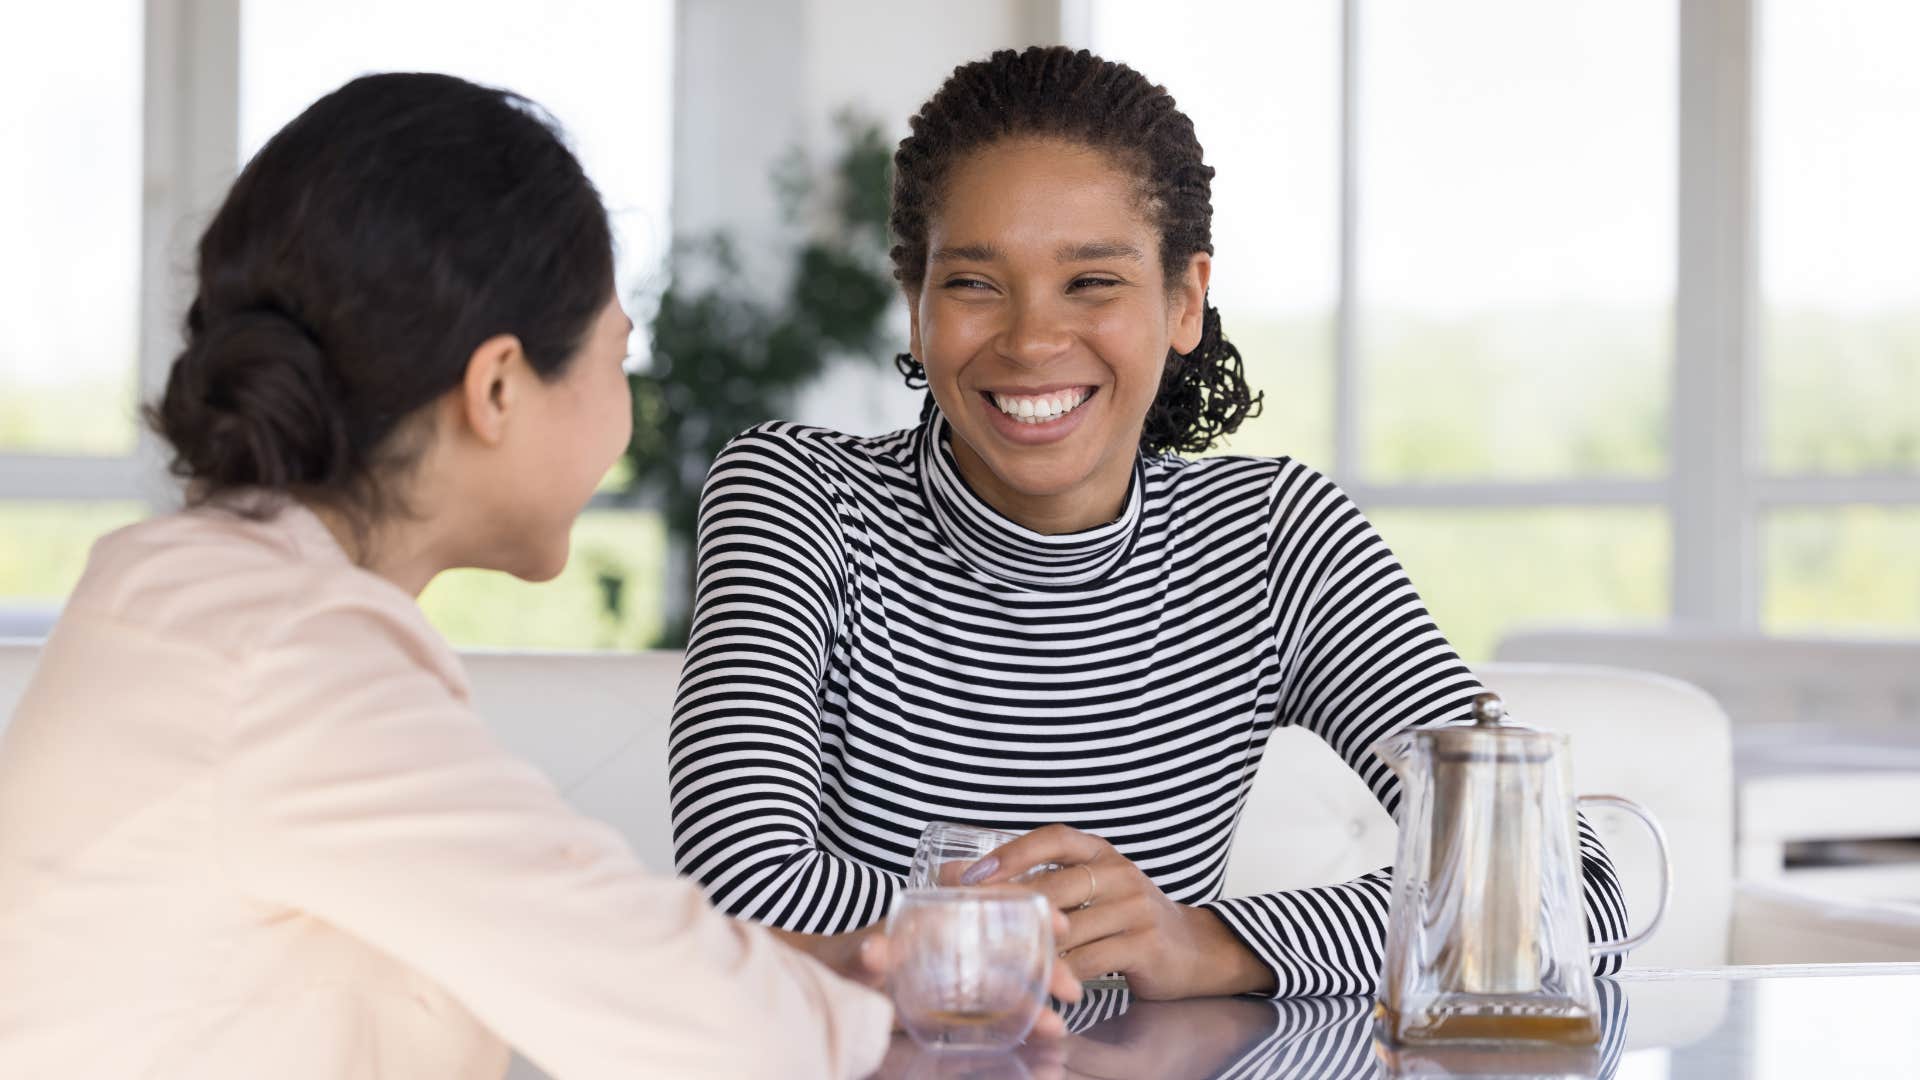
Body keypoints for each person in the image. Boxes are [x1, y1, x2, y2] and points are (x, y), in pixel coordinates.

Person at [0, 73, 922, 1079]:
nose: (629, 415)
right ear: (495, 388)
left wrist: (818, 974)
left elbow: (565, 943)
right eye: (619, 362)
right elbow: (693, 1019)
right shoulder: (289, 656)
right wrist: (905, 1017)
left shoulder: (199, 599)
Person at [668, 46, 1630, 1002]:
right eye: (972, 282)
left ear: (1184, 300)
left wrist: (1204, 944)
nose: (1033, 338)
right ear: (916, 309)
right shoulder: (795, 498)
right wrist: (1094, 939)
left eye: (1091, 282)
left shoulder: (1271, 539)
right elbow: (744, 892)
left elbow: (1557, 885)